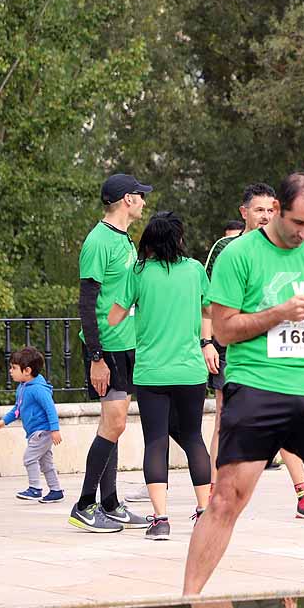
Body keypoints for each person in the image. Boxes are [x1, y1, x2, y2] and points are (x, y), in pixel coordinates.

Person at [183, 171, 304, 594]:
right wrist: (279, 314)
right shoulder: (239, 255)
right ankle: (189, 599)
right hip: (256, 386)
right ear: (277, 211)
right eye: (297, 223)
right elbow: (225, 331)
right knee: (226, 499)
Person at [200, 183, 304, 521]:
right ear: (244, 212)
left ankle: (303, 493)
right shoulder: (228, 250)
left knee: (287, 422)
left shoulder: (293, 249)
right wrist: (208, 343)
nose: (265, 217)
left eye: (269, 211)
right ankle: (217, 493)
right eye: (258, 211)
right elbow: (209, 308)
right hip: (238, 347)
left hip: (285, 353)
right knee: (223, 419)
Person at [108, 211, 217, 540]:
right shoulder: (196, 270)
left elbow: (114, 318)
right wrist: (204, 341)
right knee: (194, 438)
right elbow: (208, 309)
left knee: (155, 441)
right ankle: (204, 512)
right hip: (190, 370)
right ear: (178, 238)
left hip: (151, 371)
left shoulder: (138, 272)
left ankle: (161, 519)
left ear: (149, 241)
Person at [72, 173, 152, 533]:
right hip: (107, 349)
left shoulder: (124, 239)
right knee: (114, 423)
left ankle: (110, 502)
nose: (144, 202)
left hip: (126, 343)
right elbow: (87, 303)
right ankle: (84, 504)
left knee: (114, 425)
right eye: (140, 196)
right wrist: (96, 357)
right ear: (126, 200)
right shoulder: (98, 241)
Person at [0, 347, 64, 502]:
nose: (10, 371)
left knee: (29, 458)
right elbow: (17, 409)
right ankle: (56, 491)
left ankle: (35, 489)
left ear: (27, 370)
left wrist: (54, 429)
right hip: (35, 432)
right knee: (46, 463)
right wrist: (4, 421)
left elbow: (50, 408)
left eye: (13, 368)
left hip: (42, 432)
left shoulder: (38, 389)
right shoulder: (23, 387)